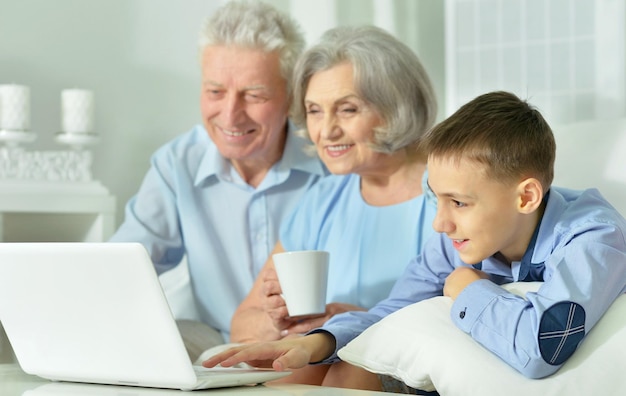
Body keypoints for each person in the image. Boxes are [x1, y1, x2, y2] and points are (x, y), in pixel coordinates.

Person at [203, 91, 626, 391]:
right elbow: (391, 313)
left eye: (458, 202)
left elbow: (542, 347)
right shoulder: (456, 239)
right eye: (436, 199)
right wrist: (315, 342)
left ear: (526, 196)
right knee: (338, 370)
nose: (440, 223)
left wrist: (467, 287)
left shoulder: (594, 238)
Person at [109, 0, 327, 360]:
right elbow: (122, 267)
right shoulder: (176, 164)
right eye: (215, 92)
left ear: (291, 97)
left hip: (309, 341)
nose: (230, 115)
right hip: (215, 339)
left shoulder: (328, 163)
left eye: (254, 95)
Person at [226, 25, 438, 387]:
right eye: (314, 111)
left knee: (350, 368)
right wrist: (281, 321)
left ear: (397, 105)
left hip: (411, 365)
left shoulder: (447, 193)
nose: (326, 131)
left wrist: (356, 322)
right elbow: (242, 323)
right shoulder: (322, 199)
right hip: (324, 360)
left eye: (347, 109)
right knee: (295, 371)